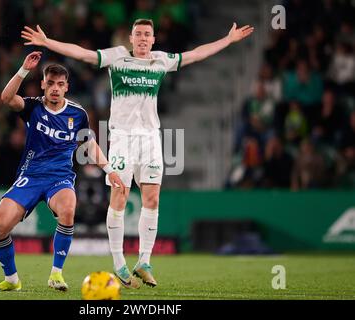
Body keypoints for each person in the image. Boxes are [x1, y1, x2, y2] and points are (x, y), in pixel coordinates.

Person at [21, 19, 254, 288]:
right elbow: (82, 53)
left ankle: (143, 261)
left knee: (152, 198)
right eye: (138, 34)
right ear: (130, 39)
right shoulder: (117, 57)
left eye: (147, 34)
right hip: (121, 138)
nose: (143, 38)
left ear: (153, 40)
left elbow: (195, 54)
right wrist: (47, 42)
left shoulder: (160, 60)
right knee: (119, 194)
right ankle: (119, 263)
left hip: (151, 138)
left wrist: (227, 40)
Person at [0, 51, 125, 292]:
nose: (54, 88)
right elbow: (7, 98)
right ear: (42, 84)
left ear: (66, 87)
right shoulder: (32, 107)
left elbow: (89, 144)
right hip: (29, 177)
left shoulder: (77, 114)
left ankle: (56, 274)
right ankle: (11, 280)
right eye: (50, 83)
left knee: (68, 210)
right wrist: (23, 70)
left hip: (59, 178)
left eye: (60, 84)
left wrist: (110, 170)